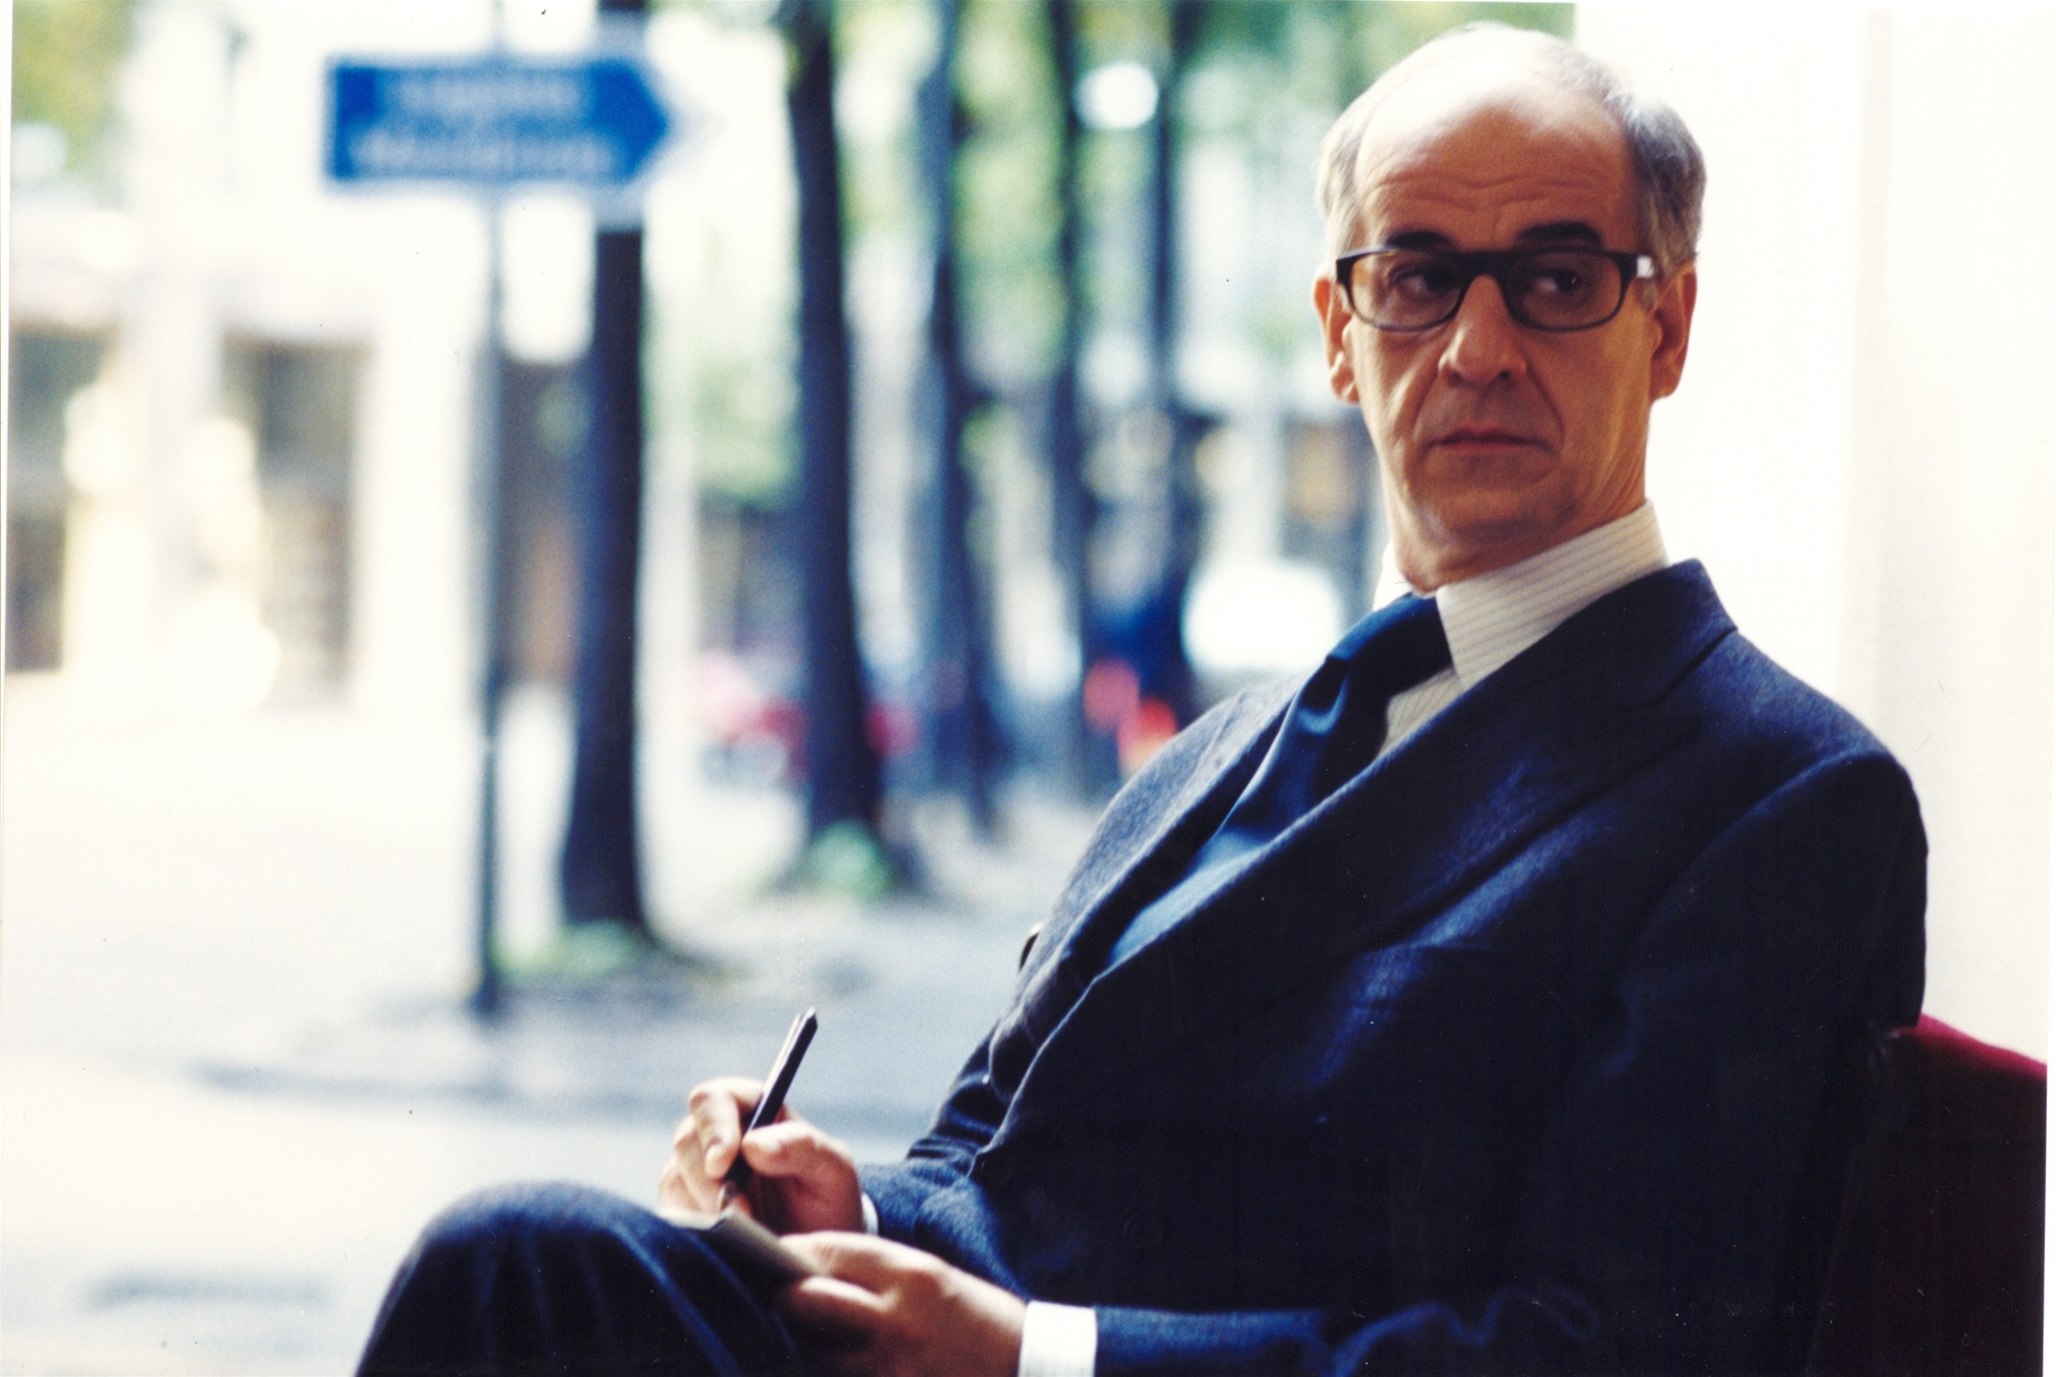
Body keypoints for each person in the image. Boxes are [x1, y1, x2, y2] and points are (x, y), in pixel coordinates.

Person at [358, 24, 1924, 1377]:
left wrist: (1037, 1357)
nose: (1478, 347)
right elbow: (989, 1152)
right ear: (1340, 338)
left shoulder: (1781, 797)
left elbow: (1611, 1352)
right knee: (524, 1265)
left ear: (1669, 326)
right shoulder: (1221, 750)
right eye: (1417, 278)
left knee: (517, 1266)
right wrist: (858, 1210)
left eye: (1558, 280)